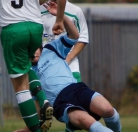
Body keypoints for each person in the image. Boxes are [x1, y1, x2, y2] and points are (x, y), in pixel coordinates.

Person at [16, 2, 122, 132]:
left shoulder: (51, 48)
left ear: (39, 44)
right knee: (89, 123)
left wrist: (61, 17)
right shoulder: (28, 72)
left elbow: (75, 36)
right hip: (61, 103)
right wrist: (28, 128)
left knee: (109, 110)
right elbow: (39, 105)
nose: (33, 52)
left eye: (33, 48)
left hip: (77, 89)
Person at [0, 0, 67, 132]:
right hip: (35, 27)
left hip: (14, 29)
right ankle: (43, 100)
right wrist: (59, 19)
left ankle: (36, 130)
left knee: (21, 88)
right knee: (26, 66)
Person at [40, 0, 88, 83]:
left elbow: (83, 39)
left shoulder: (75, 10)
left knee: (75, 95)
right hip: (46, 70)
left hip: (70, 68)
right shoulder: (39, 10)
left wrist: (66, 61)